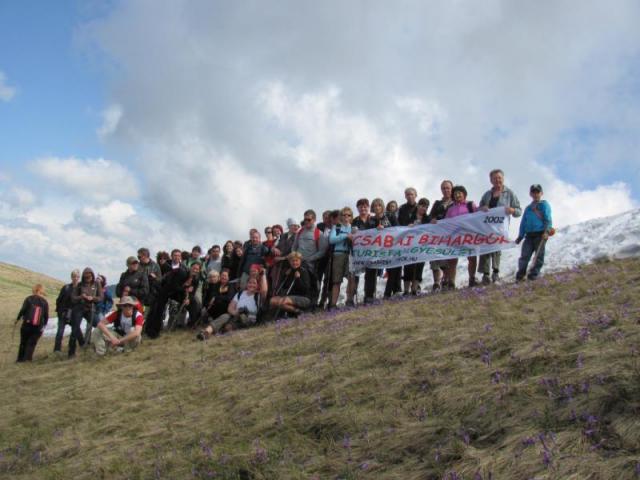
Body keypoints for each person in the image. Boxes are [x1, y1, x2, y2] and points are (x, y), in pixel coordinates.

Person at [478, 169, 522, 284]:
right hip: (486, 227)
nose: (497, 180)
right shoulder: (487, 194)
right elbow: (478, 209)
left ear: (503, 179)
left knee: (496, 249)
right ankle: (485, 275)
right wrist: (482, 208)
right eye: (494, 178)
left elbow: (518, 211)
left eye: (499, 178)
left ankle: (495, 273)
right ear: (491, 180)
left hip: (500, 228)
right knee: (485, 248)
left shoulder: (510, 193)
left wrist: (512, 210)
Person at [199, 270, 268, 337]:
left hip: (249, 320)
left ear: (258, 285)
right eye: (250, 283)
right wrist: (236, 312)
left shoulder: (258, 296)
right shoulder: (240, 294)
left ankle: (224, 330)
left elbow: (264, 290)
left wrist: (263, 274)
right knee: (226, 316)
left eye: (254, 283)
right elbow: (230, 308)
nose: (251, 285)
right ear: (247, 284)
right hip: (236, 317)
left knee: (236, 321)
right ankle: (206, 332)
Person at [145, 249, 190, 338]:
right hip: (163, 290)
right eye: (175, 255)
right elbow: (158, 277)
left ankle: (173, 327)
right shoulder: (164, 265)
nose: (177, 257)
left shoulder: (184, 268)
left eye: (178, 255)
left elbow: (185, 282)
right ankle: (154, 330)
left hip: (176, 292)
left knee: (176, 308)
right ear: (171, 256)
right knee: (157, 309)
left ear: (180, 257)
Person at [516, 184, 553, 281]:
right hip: (529, 236)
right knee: (524, 256)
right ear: (530, 194)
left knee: (538, 256)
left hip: (540, 234)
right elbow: (524, 222)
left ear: (541, 193)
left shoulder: (544, 205)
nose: (535, 194)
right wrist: (520, 235)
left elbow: (548, 219)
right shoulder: (528, 208)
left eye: (537, 192)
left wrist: (547, 231)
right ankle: (520, 275)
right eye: (533, 192)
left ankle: (533, 276)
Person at [365, 198, 399, 302]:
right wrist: (376, 229)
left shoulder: (390, 216)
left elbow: (398, 229)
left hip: (389, 248)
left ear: (382, 206)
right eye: (375, 206)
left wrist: (385, 228)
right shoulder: (370, 220)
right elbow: (366, 234)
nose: (377, 207)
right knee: (370, 271)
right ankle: (369, 296)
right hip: (375, 250)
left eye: (379, 205)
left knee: (393, 270)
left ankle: (388, 293)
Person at [444, 186, 478, 288]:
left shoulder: (470, 205)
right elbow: (445, 222)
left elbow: (479, 215)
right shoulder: (450, 209)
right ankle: (451, 282)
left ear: (464, 194)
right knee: (453, 259)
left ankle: (472, 278)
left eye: (460, 193)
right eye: (455, 194)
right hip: (455, 237)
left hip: (469, 236)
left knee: (472, 258)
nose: (458, 195)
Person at [69, 268, 103, 357]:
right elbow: (73, 298)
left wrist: (93, 298)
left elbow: (101, 297)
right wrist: (81, 296)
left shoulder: (97, 284)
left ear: (92, 275)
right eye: (86, 276)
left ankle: (100, 346)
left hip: (90, 308)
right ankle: (71, 353)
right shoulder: (80, 285)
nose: (88, 277)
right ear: (84, 276)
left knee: (99, 325)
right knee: (75, 329)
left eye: (90, 275)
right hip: (79, 308)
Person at [269, 252, 313, 317]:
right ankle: (291, 312)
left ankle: (300, 312)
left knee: (282, 302)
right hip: (290, 296)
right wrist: (285, 276)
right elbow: (284, 286)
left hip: (304, 298)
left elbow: (305, 289)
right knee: (272, 301)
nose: (294, 263)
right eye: (292, 261)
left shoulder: (303, 271)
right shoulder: (289, 271)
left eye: (296, 261)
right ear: (289, 262)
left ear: (300, 261)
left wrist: (298, 279)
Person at [429, 180, 454, 291]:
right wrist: (432, 219)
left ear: (452, 189)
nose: (446, 190)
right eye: (443, 188)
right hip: (437, 235)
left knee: (448, 259)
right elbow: (430, 217)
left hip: (451, 235)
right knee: (435, 258)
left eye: (448, 188)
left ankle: (447, 281)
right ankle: (436, 283)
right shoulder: (437, 204)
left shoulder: (456, 202)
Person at [403, 197, 431, 295]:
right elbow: (401, 226)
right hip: (409, 246)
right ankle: (406, 290)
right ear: (418, 205)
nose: (424, 209)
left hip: (422, 247)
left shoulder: (428, 219)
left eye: (426, 207)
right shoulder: (409, 216)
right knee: (408, 266)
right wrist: (408, 226)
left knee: (419, 266)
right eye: (422, 206)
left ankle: (414, 288)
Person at [346, 198, 371, 306]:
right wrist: (350, 236)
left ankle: (368, 296)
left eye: (365, 206)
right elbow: (348, 234)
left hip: (370, 252)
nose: (363, 208)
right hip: (356, 253)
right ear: (357, 208)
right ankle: (350, 298)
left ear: (368, 207)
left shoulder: (373, 220)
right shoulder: (354, 221)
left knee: (370, 275)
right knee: (354, 276)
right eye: (361, 206)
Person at [15, 284, 49, 362]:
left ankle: (20, 359)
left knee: (23, 342)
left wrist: (17, 319)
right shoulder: (44, 302)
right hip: (38, 327)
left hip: (26, 325)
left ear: (34, 290)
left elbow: (23, 310)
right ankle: (27, 359)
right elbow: (46, 316)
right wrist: (44, 326)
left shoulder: (28, 299)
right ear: (42, 291)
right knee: (32, 343)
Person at [328, 207, 353, 309]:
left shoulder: (354, 228)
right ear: (341, 217)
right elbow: (331, 240)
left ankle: (349, 300)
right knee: (336, 281)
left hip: (350, 254)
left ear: (351, 217)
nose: (346, 217)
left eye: (348, 215)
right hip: (338, 254)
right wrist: (345, 236)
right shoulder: (337, 227)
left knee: (351, 278)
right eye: (344, 215)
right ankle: (333, 304)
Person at [54, 269, 80, 354]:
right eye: (74, 276)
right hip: (64, 312)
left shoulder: (81, 289)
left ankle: (80, 345)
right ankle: (57, 350)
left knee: (76, 331)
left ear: (79, 277)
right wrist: (59, 311)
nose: (75, 278)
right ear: (71, 277)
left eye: (77, 276)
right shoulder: (66, 288)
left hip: (74, 313)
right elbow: (59, 300)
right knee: (60, 332)